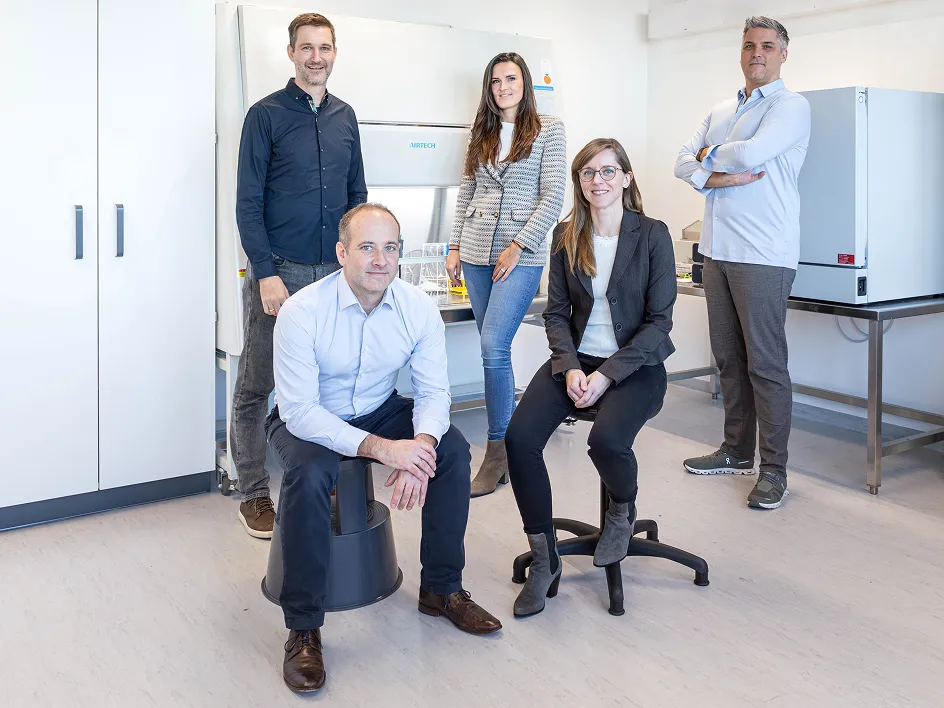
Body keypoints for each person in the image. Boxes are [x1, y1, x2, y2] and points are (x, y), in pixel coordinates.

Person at [266, 203, 502, 693]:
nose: (380, 260)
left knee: (451, 452)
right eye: (367, 247)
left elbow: (434, 393)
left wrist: (420, 446)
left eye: (390, 248)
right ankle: (303, 628)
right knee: (310, 473)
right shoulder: (302, 311)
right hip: (308, 418)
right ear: (342, 253)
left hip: (377, 406)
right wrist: (384, 450)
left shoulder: (417, 307)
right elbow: (300, 411)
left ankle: (441, 589)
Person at [504, 138, 676, 617]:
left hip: (637, 366)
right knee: (519, 439)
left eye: (607, 171)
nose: (597, 180)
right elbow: (556, 313)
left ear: (626, 177)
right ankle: (545, 560)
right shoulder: (567, 235)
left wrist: (607, 376)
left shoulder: (652, 235)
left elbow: (659, 323)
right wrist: (573, 367)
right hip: (576, 361)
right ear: (579, 182)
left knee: (606, 442)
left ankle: (622, 509)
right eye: (587, 173)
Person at [231, 13, 367, 538]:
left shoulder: (346, 117)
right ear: (291, 53)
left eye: (324, 47)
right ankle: (253, 492)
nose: (316, 57)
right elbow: (248, 203)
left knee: (328, 382)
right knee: (258, 382)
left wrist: (356, 263)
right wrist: (265, 273)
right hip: (282, 271)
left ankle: (324, 482)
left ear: (334, 52)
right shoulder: (264, 115)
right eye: (306, 47)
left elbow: (357, 197)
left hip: (334, 271)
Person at [674, 16, 810, 510]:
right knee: (729, 359)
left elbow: (753, 152)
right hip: (717, 252)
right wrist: (719, 174)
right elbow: (681, 162)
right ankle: (735, 451)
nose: (758, 53)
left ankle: (774, 470)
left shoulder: (790, 107)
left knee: (766, 365)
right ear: (741, 52)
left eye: (768, 46)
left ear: (783, 54)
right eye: (750, 45)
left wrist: (708, 157)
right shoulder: (721, 109)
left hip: (764, 255)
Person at [446, 52, 567, 498]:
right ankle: (506, 448)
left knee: (493, 345)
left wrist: (518, 246)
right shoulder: (482, 130)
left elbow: (553, 197)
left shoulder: (549, 129)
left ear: (525, 83)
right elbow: (467, 190)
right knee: (492, 351)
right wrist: (455, 245)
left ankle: (497, 452)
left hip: (521, 254)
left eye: (511, 79)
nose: (503, 87)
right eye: (495, 81)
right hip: (476, 250)